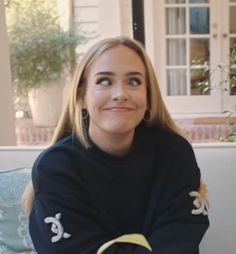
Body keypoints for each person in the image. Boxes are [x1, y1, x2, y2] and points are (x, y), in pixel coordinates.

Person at [23, 36, 209, 254]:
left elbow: (181, 242)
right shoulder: (56, 167)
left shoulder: (175, 154)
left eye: (134, 82)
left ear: (148, 97)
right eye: (104, 81)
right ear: (82, 96)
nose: (120, 94)